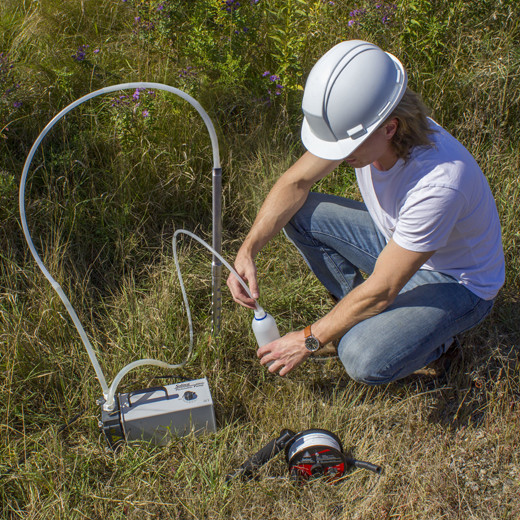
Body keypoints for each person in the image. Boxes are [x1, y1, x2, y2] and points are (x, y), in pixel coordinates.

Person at [226, 40, 505, 383]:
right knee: (299, 213)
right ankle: (361, 316)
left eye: (344, 148)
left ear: (391, 128)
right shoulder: (364, 128)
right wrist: (248, 248)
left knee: (360, 357)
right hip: (397, 244)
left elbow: (385, 287)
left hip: (457, 282)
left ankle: (438, 344)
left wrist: (309, 339)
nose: (338, 157)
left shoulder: (439, 183)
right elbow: (295, 184)